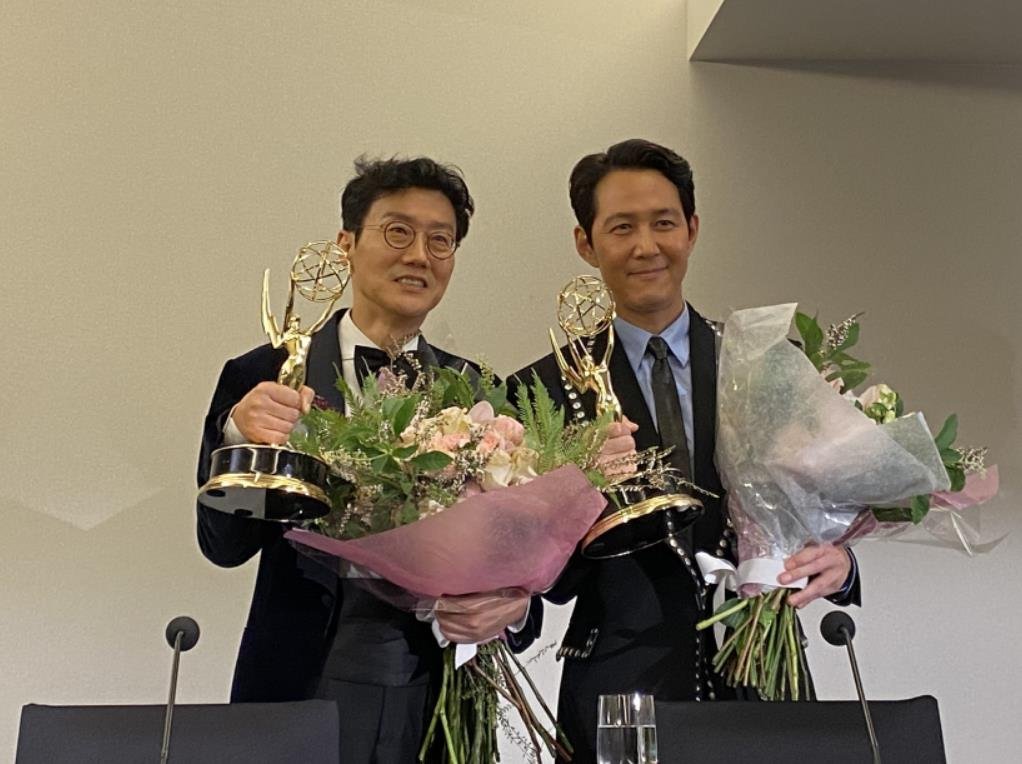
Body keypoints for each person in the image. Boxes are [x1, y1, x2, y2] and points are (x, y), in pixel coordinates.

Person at [509, 139, 861, 762]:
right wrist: (574, 489)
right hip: (617, 686)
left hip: (761, 679)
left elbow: (817, 510)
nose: (646, 246)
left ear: (692, 229)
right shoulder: (541, 391)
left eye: (664, 223)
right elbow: (543, 578)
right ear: (586, 243)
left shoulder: (767, 364)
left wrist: (840, 561)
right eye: (622, 227)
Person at [196, 156, 534, 762]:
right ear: (346, 242)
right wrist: (239, 435)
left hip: (439, 696)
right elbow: (223, 544)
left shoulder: (480, 391)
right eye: (398, 232)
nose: (419, 256)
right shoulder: (265, 374)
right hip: (303, 680)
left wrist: (514, 607)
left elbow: (516, 556)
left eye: (440, 240)